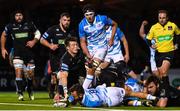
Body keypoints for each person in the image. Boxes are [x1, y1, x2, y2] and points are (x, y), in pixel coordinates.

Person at [1, 10, 41, 100]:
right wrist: (3, 49)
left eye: (20, 15)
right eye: (17, 15)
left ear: (23, 16)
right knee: (18, 73)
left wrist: (34, 41)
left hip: (29, 53)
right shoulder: (10, 26)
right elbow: (3, 35)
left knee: (30, 75)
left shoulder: (30, 24)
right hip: (17, 53)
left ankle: (30, 88)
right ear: (14, 17)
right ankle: (20, 93)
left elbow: (38, 33)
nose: (18, 17)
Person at [79, 4, 118, 90]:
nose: (89, 17)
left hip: (102, 47)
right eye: (87, 15)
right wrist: (87, 54)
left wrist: (111, 38)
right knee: (91, 71)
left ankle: (82, 90)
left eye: (91, 14)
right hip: (90, 49)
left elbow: (115, 24)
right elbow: (82, 41)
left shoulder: (102, 18)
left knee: (93, 66)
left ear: (94, 14)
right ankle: (91, 90)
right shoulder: (82, 25)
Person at [40, 12, 74, 98]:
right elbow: (42, 39)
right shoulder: (53, 29)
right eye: (64, 20)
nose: (66, 22)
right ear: (60, 20)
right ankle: (51, 88)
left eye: (68, 20)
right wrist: (50, 45)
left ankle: (60, 93)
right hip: (55, 58)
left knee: (63, 76)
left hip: (67, 59)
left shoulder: (71, 31)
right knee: (55, 79)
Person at [146, 10, 180, 97]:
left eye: (163, 18)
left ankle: (164, 93)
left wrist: (176, 44)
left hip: (169, 52)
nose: (161, 20)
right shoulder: (154, 27)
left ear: (167, 18)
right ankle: (172, 91)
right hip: (159, 54)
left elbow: (178, 34)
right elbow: (148, 38)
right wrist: (151, 45)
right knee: (160, 74)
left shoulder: (172, 25)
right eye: (160, 18)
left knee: (164, 71)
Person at [53, 37, 86, 103]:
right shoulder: (65, 59)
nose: (76, 47)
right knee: (61, 74)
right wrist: (64, 93)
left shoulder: (81, 54)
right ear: (67, 47)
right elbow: (64, 76)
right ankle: (61, 94)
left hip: (79, 78)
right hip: (68, 79)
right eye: (73, 45)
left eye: (76, 45)